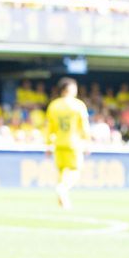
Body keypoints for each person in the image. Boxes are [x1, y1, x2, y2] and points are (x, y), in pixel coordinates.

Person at [44, 78, 90, 209]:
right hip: (73, 144)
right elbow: (84, 126)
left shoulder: (53, 105)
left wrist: (48, 144)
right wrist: (87, 142)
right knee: (75, 171)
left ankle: (63, 199)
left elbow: (49, 127)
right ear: (69, 89)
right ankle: (62, 189)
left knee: (62, 172)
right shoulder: (78, 105)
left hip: (58, 144)